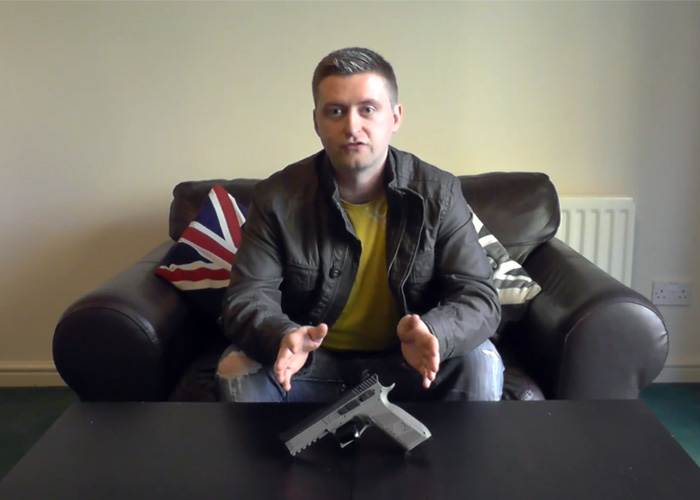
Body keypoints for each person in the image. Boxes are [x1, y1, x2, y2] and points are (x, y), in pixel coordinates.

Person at [218, 47, 503, 403]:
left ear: (395, 118)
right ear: (317, 122)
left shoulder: (439, 194)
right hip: (308, 365)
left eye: (368, 109)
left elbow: (479, 295)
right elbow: (246, 296)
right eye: (336, 111)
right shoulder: (276, 198)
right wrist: (283, 335)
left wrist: (435, 332)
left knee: (482, 361)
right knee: (236, 368)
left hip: (409, 363)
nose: (352, 127)